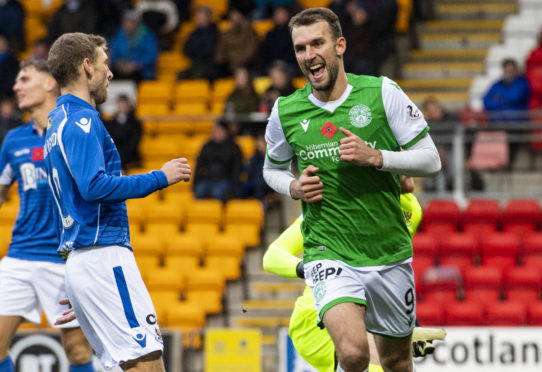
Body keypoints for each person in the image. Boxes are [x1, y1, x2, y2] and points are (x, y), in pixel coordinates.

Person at [263, 8, 441, 372]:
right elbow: (271, 170)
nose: (309, 55)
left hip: (388, 255)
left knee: (396, 362)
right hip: (330, 253)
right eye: (300, 48)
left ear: (340, 45)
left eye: (317, 43)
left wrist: (377, 157)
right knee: (354, 353)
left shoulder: (382, 92)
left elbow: (430, 160)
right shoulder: (285, 112)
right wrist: (294, 187)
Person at [44, 32, 191, 371]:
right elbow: (93, 187)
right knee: (148, 366)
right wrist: (160, 177)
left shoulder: (56, 125)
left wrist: (81, 280)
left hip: (85, 260)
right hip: (102, 259)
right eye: (105, 64)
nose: (110, 73)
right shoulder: (82, 122)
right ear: (86, 66)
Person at [263, 178, 442, 372]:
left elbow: (391, 268)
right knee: (374, 362)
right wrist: (315, 269)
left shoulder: (412, 209)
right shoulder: (339, 201)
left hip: (368, 314)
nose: (407, 170)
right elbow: (272, 257)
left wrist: (408, 323)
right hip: (318, 313)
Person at [0, 59, 96, 372]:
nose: (16, 87)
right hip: (19, 256)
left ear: (50, 83)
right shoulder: (14, 140)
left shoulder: (76, 129)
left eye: (25, 78)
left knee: (78, 351)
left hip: (64, 259)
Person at [193, 121, 243, 202]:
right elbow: (199, 165)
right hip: (208, 179)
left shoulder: (233, 147)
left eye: (220, 131)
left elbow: (237, 169)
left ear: (225, 132)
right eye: (215, 131)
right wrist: (195, 182)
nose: (217, 134)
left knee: (217, 192)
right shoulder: (207, 146)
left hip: (225, 180)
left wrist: (235, 187)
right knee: (199, 189)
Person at [109, 10, 160, 81]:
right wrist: (119, 63)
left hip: (142, 73)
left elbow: (151, 55)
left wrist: (137, 65)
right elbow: (113, 54)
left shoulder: (147, 36)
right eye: (127, 21)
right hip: (121, 71)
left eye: (132, 22)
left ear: (137, 23)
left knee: (135, 75)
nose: (129, 24)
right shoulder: (119, 35)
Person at [177, 5, 219, 81]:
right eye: (197, 17)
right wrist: (198, 50)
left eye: (201, 17)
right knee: (180, 75)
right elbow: (185, 50)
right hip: (194, 64)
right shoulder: (193, 33)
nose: (198, 19)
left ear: (209, 18)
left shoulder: (214, 33)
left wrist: (196, 50)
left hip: (209, 66)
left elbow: (210, 51)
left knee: (198, 74)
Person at [104, 94, 142, 171]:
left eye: (124, 104)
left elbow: (134, 143)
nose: (122, 107)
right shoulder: (109, 123)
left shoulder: (136, 124)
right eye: (120, 104)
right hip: (114, 158)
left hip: (131, 159)